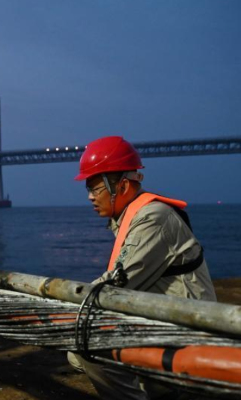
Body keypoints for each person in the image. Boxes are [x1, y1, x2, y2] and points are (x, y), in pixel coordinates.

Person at [68, 136, 217, 399]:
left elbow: (117, 284)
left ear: (122, 185)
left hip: (185, 330)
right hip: (166, 318)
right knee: (80, 343)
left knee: (86, 345)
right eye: (88, 190)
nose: (90, 197)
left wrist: (68, 304)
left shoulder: (153, 218)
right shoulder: (135, 215)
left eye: (95, 189)